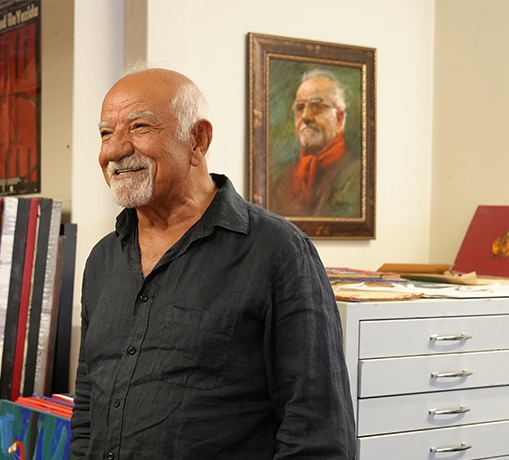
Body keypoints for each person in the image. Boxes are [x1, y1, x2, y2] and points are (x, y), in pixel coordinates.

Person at [70, 66, 355, 459]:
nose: (114, 150)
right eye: (106, 133)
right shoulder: (103, 260)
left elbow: (317, 431)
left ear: (198, 140)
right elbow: (88, 404)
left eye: (139, 127)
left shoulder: (277, 251)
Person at [269, 68, 362, 218]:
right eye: (300, 107)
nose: (306, 117)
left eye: (317, 106)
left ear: (339, 119)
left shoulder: (358, 174)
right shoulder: (281, 179)